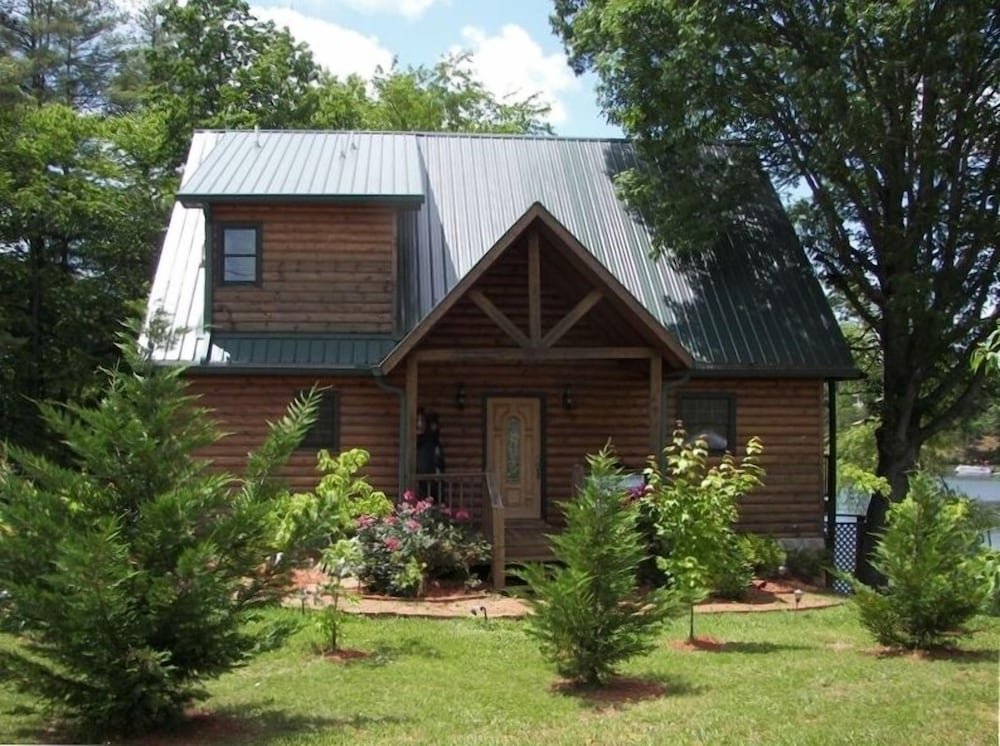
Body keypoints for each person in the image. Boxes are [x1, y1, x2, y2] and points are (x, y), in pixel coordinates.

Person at [416, 411, 445, 500]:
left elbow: (438, 459)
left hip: (433, 480)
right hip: (421, 481)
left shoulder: (433, 442)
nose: (420, 425)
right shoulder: (419, 442)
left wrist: (438, 471)